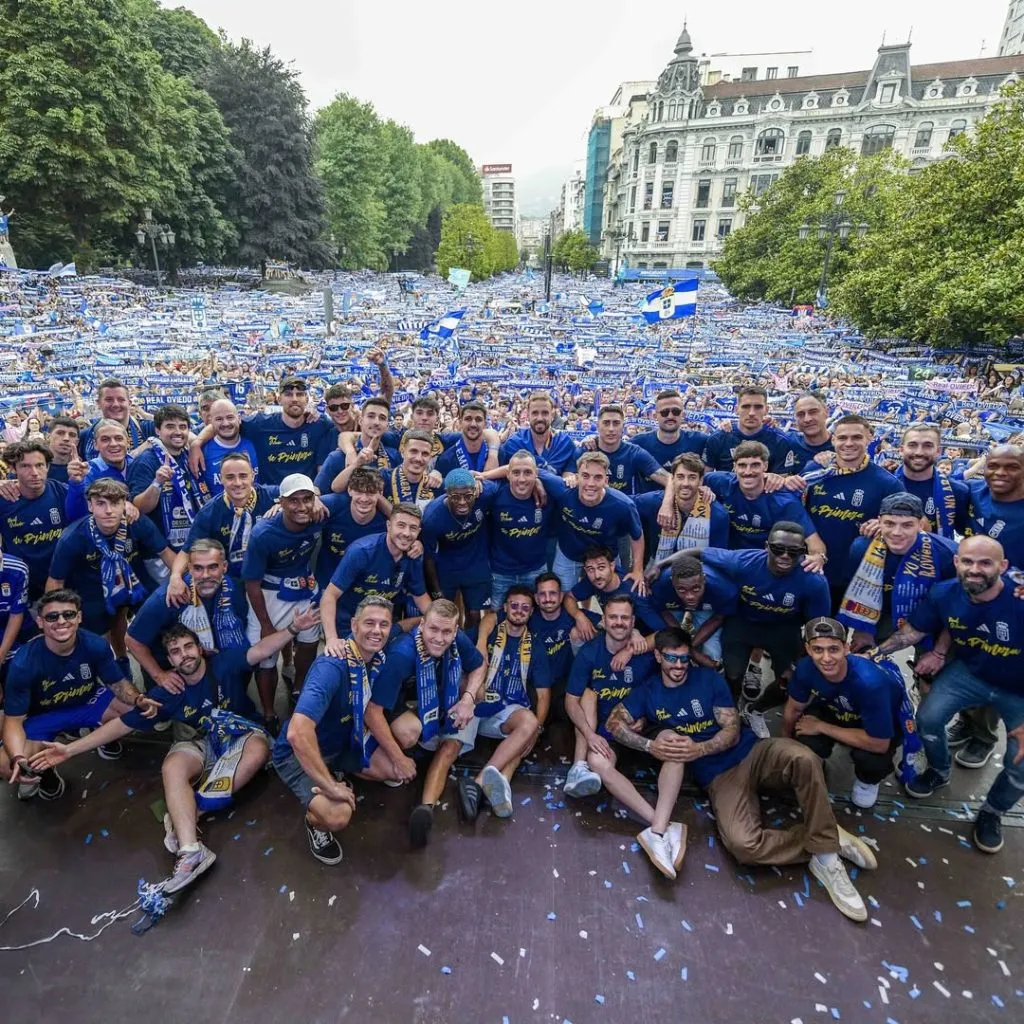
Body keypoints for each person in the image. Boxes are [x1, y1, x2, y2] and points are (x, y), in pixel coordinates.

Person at [29, 612, 316, 890]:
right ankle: (191, 851)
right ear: (170, 660)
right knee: (172, 767)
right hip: (198, 742)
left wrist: (293, 628)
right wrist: (69, 750)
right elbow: (121, 725)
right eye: (176, 651)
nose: (184, 654)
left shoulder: (224, 663)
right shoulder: (167, 691)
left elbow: (260, 650)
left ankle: (193, 811)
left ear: (200, 649)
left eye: (188, 646)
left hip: (239, 735)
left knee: (258, 751)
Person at [607, 628, 874, 920]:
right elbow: (615, 723)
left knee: (804, 758)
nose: (679, 666)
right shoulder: (648, 692)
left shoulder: (708, 679)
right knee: (744, 847)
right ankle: (823, 839)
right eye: (672, 659)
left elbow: (732, 731)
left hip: (753, 753)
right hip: (720, 779)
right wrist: (649, 746)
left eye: (684, 659)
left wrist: (699, 749)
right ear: (658, 656)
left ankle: (826, 856)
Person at [867, 535, 1024, 855]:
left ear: (1004, 567)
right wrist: (873, 655)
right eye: (967, 561)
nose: (975, 569)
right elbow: (912, 632)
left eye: (985, 563)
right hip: (971, 674)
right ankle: (938, 771)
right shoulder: (944, 593)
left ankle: (992, 812)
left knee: (1021, 761)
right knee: (928, 717)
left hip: (1019, 691)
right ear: (956, 562)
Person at [272, 597, 419, 865]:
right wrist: (330, 787)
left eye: (383, 624)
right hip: (297, 754)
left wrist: (428, 619)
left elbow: (401, 626)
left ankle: (340, 770)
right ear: (353, 625)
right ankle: (315, 824)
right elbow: (297, 733)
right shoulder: (331, 667)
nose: (377, 630)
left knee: (393, 772)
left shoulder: (377, 651)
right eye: (369, 623)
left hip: (343, 742)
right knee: (337, 815)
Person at [651, 522, 831, 709]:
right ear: (766, 547)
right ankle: (732, 709)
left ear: (804, 551)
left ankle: (756, 710)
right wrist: (660, 565)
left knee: (790, 680)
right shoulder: (743, 561)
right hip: (743, 622)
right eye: (778, 549)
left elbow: (818, 626)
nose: (785, 556)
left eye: (793, 551)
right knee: (733, 674)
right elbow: (698, 552)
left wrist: (805, 658)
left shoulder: (814, 581)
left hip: (783, 627)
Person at [0, 590, 158, 799]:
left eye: (69, 614)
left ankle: (102, 737)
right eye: (52, 616)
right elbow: (13, 720)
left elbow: (118, 683)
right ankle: (45, 773)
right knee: (6, 763)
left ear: (79, 617)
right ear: (40, 622)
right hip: (43, 716)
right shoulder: (23, 663)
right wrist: (17, 757)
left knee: (140, 712)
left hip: (87, 701)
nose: (61, 621)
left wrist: (139, 699)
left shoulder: (95, 644)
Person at [375, 599, 486, 846]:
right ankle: (405, 752)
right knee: (409, 733)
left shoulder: (458, 640)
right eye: (433, 629)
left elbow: (479, 666)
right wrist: (398, 758)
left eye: (447, 631)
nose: (439, 638)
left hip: (446, 701)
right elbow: (373, 711)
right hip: (406, 705)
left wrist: (467, 699)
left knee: (473, 699)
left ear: (456, 630)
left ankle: (425, 808)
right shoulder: (401, 655)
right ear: (422, 625)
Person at [46, 479, 174, 668]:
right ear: (90, 506)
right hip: (93, 590)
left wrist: (181, 580)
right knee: (98, 644)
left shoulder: (136, 522)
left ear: (125, 504)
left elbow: (166, 553)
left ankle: (157, 668)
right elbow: (55, 581)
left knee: (160, 620)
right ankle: (116, 666)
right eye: (100, 503)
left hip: (134, 583)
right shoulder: (73, 537)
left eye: (115, 503)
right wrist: (56, 616)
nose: (108, 511)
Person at [783, 618, 903, 809]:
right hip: (835, 709)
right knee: (802, 733)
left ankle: (867, 781)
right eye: (818, 649)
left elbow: (879, 744)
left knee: (872, 760)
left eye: (833, 649)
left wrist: (821, 727)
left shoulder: (871, 683)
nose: (826, 658)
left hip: (876, 726)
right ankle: (813, 765)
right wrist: (787, 745)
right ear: (808, 649)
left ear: (846, 648)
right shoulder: (806, 668)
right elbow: (794, 708)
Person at [453, 586, 550, 822]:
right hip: (476, 705)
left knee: (529, 721)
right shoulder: (487, 632)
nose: (518, 611)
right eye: (514, 606)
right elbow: (454, 657)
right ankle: (502, 782)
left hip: (508, 712)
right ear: (504, 607)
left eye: (525, 608)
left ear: (531, 613)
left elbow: (544, 694)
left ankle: (479, 783)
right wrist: (470, 686)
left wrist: (536, 731)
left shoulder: (536, 646)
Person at [955, 445, 1024, 765]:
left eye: (1011, 467)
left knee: (993, 668)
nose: (999, 473)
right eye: (993, 466)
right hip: (966, 595)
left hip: (1010, 607)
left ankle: (983, 736)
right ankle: (967, 722)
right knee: (964, 663)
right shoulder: (975, 492)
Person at [241, 474, 325, 729]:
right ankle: (268, 713)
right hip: (269, 592)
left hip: (304, 585)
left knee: (310, 641)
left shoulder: (319, 514)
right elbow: (252, 584)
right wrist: (266, 623)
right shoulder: (263, 533)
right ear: (281, 502)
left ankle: (299, 688)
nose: (301, 507)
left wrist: (319, 498)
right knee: (265, 658)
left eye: (307, 499)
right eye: (293, 501)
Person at [799, 415, 903, 610]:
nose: (848, 443)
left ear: (869, 438)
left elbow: (911, 525)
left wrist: (885, 524)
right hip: (811, 570)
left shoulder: (888, 483)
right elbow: (793, 508)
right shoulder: (815, 471)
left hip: (855, 578)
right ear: (833, 439)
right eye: (842, 438)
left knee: (838, 635)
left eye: (856, 437)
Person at [563, 595, 657, 803]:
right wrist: (590, 735)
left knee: (671, 744)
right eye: (613, 617)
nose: (619, 622)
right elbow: (571, 700)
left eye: (625, 618)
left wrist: (646, 719)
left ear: (633, 622)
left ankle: (659, 822)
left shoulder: (646, 653)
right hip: (606, 733)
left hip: (639, 729)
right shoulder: (589, 653)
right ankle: (654, 822)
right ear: (604, 621)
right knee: (597, 763)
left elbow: (657, 693)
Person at [838, 492, 957, 654]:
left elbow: (955, 609)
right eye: (889, 523)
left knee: (930, 672)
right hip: (882, 612)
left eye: (907, 525)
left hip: (930, 614)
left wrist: (938, 652)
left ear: (921, 525)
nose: (896, 532)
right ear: (879, 522)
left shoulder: (947, 554)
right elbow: (853, 591)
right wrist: (863, 629)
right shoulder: (861, 549)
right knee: (864, 655)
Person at [127, 539, 250, 688]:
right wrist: (159, 675)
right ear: (189, 569)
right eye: (198, 568)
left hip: (214, 664)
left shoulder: (235, 588)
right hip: (174, 674)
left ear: (224, 567)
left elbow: (244, 626)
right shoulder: (166, 598)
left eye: (213, 567)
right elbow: (132, 640)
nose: (205, 575)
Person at [320, 502, 431, 652]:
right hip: (348, 626)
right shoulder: (362, 552)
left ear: (419, 531)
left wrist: (438, 619)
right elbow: (329, 595)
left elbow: (420, 596)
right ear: (388, 526)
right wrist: (332, 638)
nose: (406, 533)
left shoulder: (413, 555)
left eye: (412, 528)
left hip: (381, 627)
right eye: (401, 525)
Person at [191, 374, 334, 486]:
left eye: (300, 394)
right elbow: (227, 423)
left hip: (304, 499)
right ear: (279, 399)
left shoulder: (319, 423)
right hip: (270, 500)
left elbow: (344, 426)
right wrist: (197, 443)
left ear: (307, 399)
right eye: (289, 394)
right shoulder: (260, 424)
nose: (295, 399)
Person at [702, 441, 826, 560]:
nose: (748, 471)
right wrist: (702, 489)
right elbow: (690, 481)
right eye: (742, 465)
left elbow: (815, 544)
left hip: (767, 565)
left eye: (755, 465)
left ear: (765, 466)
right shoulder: (719, 482)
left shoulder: (785, 502)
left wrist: (818, 558)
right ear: (734, 467)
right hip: (729, 558)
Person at [542, 452, 645, 593]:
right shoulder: (563, 489)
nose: (591, 483)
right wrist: (536, 482)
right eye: (585, 476)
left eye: (598, 478)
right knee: (563, 597)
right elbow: (527, 468)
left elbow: (637, 536)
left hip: (605, 557)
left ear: (606, 481)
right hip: (569, 554)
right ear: (577, 477)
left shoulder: (623, 505)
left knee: (616, 599)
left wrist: (638, 570)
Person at [128, 404, 211, 572]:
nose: (178, 432)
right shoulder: (146, 461)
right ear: (157, 430)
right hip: (160, 555)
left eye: (183, 427)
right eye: (170, 426)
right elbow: (138, 508)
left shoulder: (189, 456)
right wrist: (157, 483)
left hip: (191, 546)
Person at [173, 453, 279, 579]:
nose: (238, 483)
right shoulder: (209, 513)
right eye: (230, 477)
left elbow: (306, 497)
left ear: (253, 476)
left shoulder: (271, 496)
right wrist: (175, 577)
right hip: (230, 578)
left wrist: (286, 505)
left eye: (243, 476)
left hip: (269, 573)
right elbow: (187, 551)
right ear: (221, 479)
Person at [485, 450, 557, 609]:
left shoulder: (549, 496)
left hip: (535, 570)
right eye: (516, 473)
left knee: (536, 615)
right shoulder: (494, 496)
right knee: (496, 614)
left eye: (528, 473)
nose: (522, 479)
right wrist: (482, 477)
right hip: (500, 572)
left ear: (536, 474)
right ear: (508, 475)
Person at [0, 440, 71, 602]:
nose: (34, 472)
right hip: (21, 588)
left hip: (61, 581)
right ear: (13, 469)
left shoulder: (61, 491)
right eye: (25, 466)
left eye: (40, 465)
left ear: (47, 467)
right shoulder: (4, 498)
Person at [635, 452, 729, 564]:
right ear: (672, 479)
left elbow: (717, 557)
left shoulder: (717, 515)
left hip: (699, 571)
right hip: (657, 568)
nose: (685, 483)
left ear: (701, 481)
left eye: (692, 477)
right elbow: (622, 503)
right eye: (680, 477)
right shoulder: (654, 502)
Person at [648, 554, 738, 669]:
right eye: (682, 589)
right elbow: (664, 612)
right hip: (674, 606)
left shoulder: (724, 589)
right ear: (672, 582)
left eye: (696, 588)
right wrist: (681, 638)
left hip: (708, 608)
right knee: (670, 640)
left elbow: (718, 618)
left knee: (712, 653)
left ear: (704, 579)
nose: (689, 596)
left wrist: (690, 646)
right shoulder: (659, 587)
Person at [314, 465, 388, 594]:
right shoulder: (333, 505)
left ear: (380, 494)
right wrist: (313, 498)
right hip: (326, 585)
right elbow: (298, 507)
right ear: (349, 490)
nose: (364, 499)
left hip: (363, 591)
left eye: (371, 493)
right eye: (359, 491)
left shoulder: (386, 522)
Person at [565, 545, 665, 639]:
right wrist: (579, 617)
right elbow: (569, 597)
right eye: (591, 569)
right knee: (569, 620)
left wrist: (631, 648)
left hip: (639, 636)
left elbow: (662, 632)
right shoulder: (593, 580)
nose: (597, 575)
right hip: (611, 625)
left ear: (612, 566)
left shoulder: (634, 592)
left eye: (601, 567)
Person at [893, 422, 969, 538]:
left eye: (927, 446)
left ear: (938, 451)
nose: (919, 452)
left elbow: (968, 535)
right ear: (902, 450)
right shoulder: (884, 485)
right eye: (912, 445)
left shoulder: (957, 491)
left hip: (937, 553)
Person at [630, 388, 708, 490]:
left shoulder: (700, 440)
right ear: (654, 416)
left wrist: (727, 427)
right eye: (664, 412)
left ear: (683, 415)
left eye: (675, 411)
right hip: (649, 504)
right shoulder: (637, 443)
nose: (670, 416)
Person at [703, 385, 793, 472]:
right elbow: (706, 478)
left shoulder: (780, 441)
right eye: (746, 407)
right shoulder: (718, 438)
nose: (751, 413)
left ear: (766, 410)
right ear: (736, 409)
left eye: (758, 407)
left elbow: (780, 481)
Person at [581, 404, 668, 494]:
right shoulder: (586, 449)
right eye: (606, 423)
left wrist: (667, 503)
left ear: (623, 427)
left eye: (616, 423)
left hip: (626, 506)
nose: (611, 429)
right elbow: (569, 479)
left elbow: (668, 480)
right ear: (598, 426)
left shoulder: (634, 452)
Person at [315, 396, 398, 491]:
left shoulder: (394, 456)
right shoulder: (337, 457)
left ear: (387, 426)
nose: (376, 422)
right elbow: (317, 493)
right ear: (361, 421)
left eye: (382, 418)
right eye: (371, 416)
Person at [65, 419, 134, 522]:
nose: (113, 444)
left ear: (127, 442)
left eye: (119, 438)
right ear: (95, 444)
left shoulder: (138, 464)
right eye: (105, 439)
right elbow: (76, 517)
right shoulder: (86, 472)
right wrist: (76, 483)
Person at [500, 391, 578, 477]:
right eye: (535, 413)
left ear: (552, 415)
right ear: (528, 416)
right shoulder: (514, 443)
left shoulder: (565, 443)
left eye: (545, 413)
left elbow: (572, 476)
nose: (540, 418)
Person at [79, 378, 155, 458]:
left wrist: (154, 442)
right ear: (98, 403)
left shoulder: (149, 429)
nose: (115, 404)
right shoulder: (84, 437)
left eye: (121, 400)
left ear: (129, 403)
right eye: (109, 400)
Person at [200, 398, 260, 497]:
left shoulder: (254, 442)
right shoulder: (202, 452)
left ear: (239, 418)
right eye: (219, 419)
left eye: (230, 417)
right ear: (211, 422)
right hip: (220, 511)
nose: (225, 423)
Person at [433, 400, 500, 476]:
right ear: (460, 423)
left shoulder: (498, 454)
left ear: (485, 424)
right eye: (468, 419)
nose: (473, 424)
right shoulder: (446, 460)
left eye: (478, 420)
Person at [44, 415, 81, 484]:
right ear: (48, 437)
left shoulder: (81, 469)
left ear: (77, 442)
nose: (66, 438)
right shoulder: (36, 468)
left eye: (72, 435)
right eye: (60, 433)